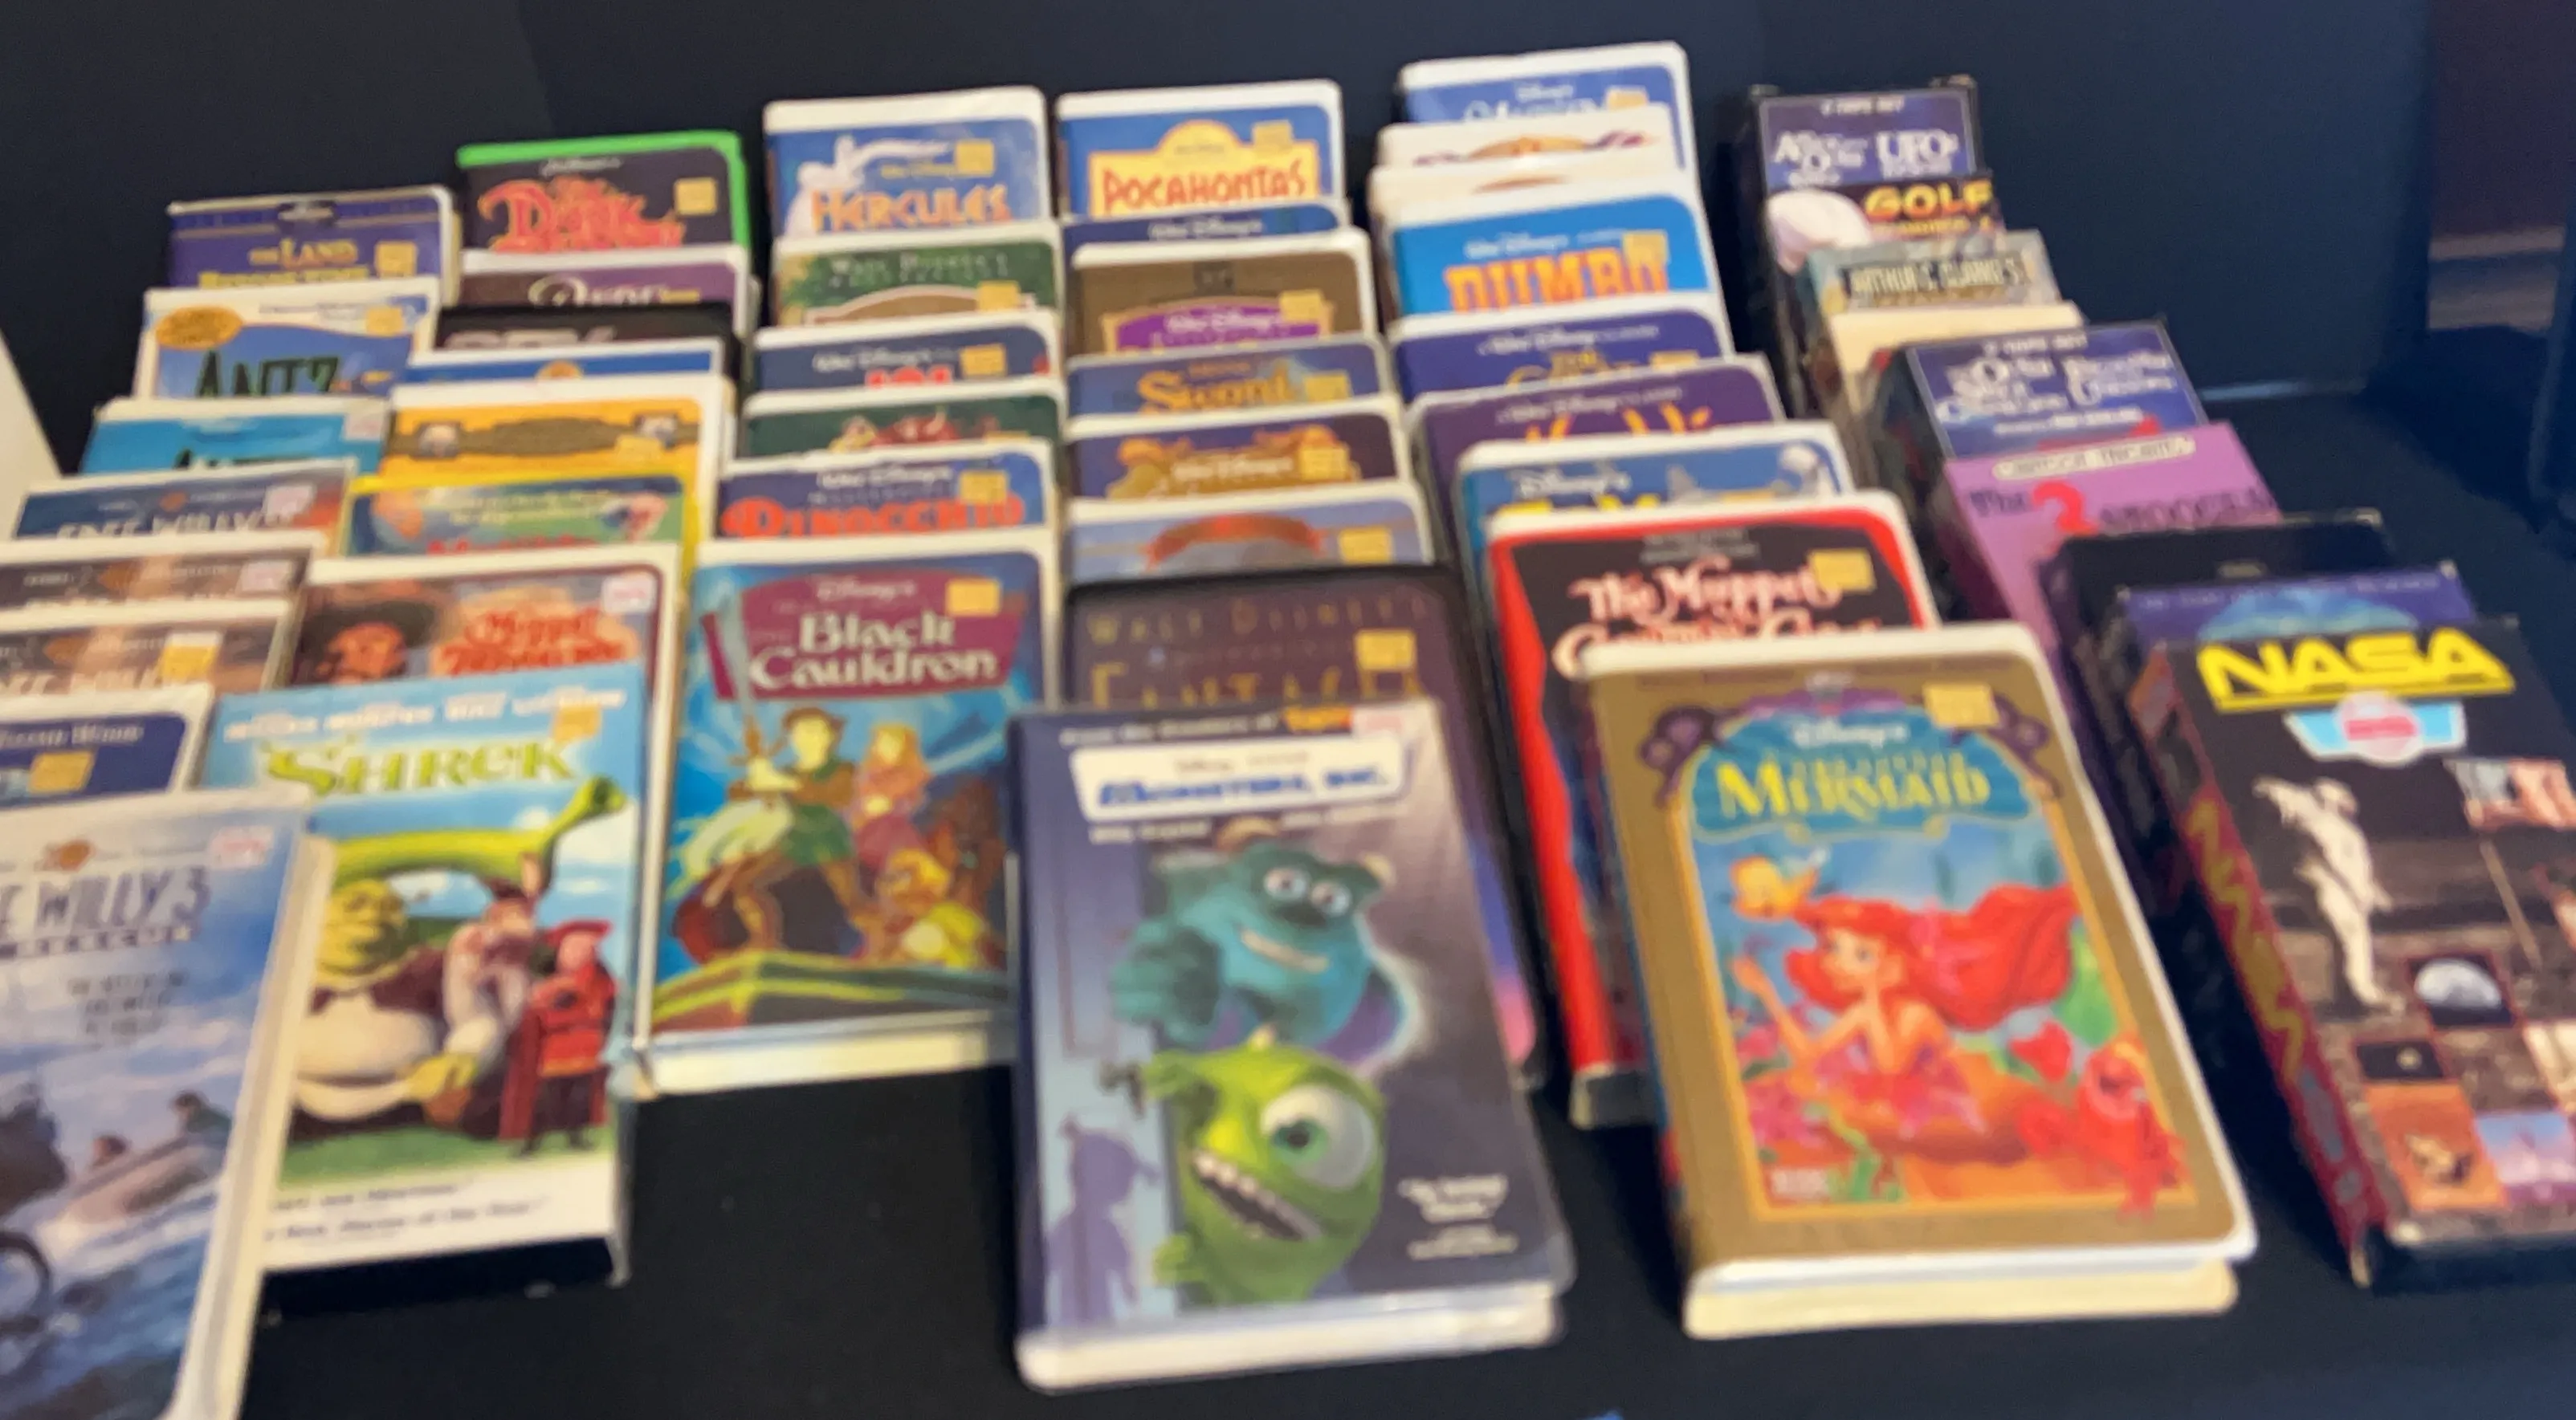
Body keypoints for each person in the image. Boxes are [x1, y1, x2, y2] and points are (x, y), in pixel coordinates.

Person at [503, 921, 617, 1153]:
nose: (581, 954)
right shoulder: (551, 984)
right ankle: (531, 1142)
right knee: (549, 1098)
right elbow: (542, 1011)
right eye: (575, 948)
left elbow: (603, 1007)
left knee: (579, 1098)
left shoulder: (601, 981)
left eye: (587, 948)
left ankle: (576, 1137)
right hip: (557, 1049)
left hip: (587, 1048)